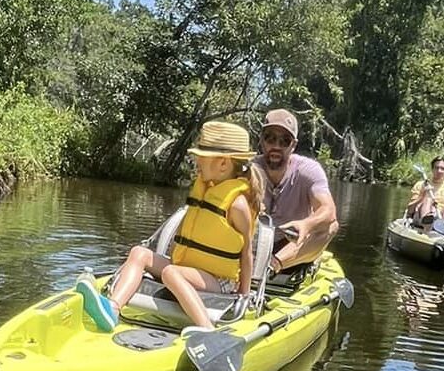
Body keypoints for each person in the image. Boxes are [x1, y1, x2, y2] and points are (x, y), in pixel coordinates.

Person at [77, 120, 258, 333]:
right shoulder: (207, 191)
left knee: (171, 273)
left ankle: (207, 329)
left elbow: (246, 252)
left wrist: (244, 297)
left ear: (224, 164)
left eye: (202, 156)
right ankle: (113, 309)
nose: (196, 160)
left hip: (219, 281)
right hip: (188, 268)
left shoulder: (237, 205)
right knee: (139, 253)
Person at [254, 108, 339, 278]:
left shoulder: (308, 170)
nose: (276, 146)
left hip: (289, 248)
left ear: (293, 145)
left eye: (284, 140)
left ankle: (272, 266)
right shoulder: (248, 170)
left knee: (331, 226)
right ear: (262, 141)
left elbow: (328, 210)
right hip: (253, 246)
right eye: (270, 138)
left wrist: (306, 224)